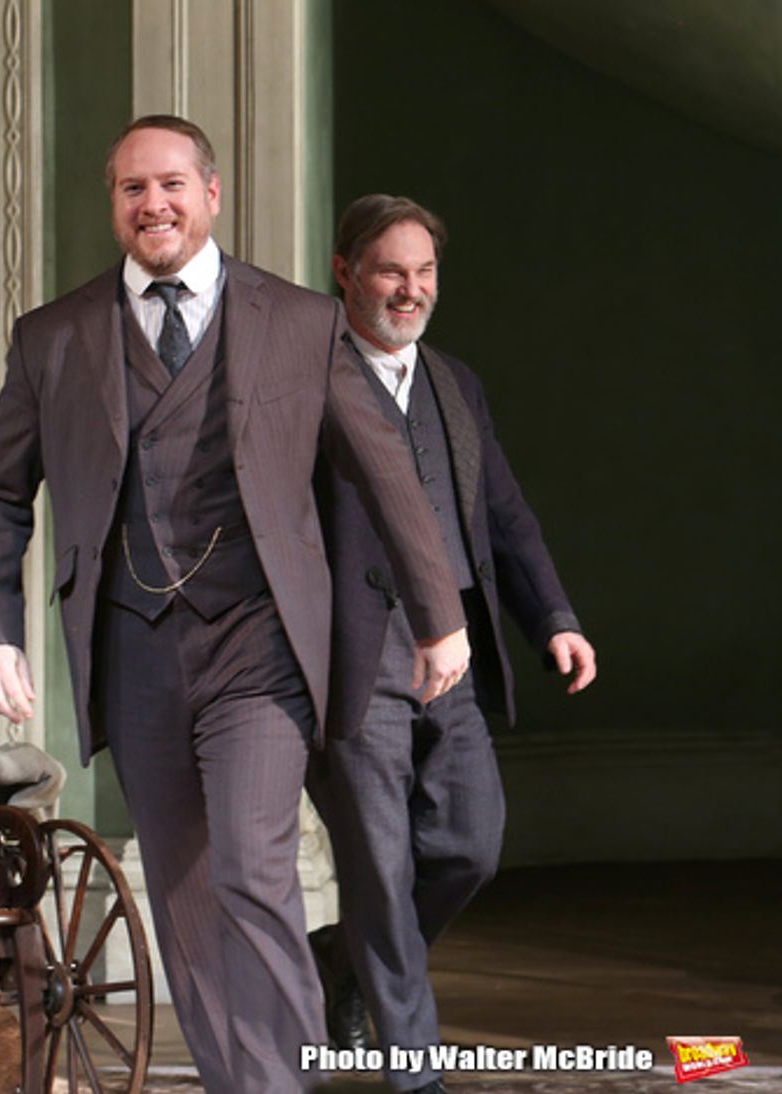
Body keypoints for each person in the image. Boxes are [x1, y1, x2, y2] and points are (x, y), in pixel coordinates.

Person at [0, 117, 472, 1093]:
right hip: (131, 649)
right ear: (112, 202)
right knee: (187, 894)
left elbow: (386, 472)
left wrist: (437, 612)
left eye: (170, 185)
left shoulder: (298, 321)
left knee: (252, 867)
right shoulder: (52, 337)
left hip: (259, 647)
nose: (152, 204)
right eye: (130, 189)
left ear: (210, 193)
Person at [306, 194, 598, 1094]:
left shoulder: (454, 384)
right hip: (349, 660)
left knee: (472, 844)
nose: (412, 289)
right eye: (392, 270)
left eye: (425, 271)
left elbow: (504, 518)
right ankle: (415, 1073)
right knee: (382, 871)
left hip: (455, 655)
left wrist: (554, 618)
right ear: (346, 272)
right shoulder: (303, 380)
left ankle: (341, 960)